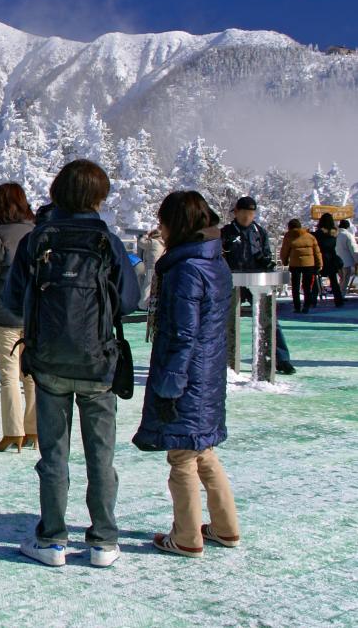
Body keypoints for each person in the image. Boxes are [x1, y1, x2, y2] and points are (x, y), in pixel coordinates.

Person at [4, 160, 141, 569]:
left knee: (54, 455)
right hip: (98, 361)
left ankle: (52, 539)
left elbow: (13, 299)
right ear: (100, 196)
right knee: (101, 456)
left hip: (48, 363)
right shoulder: (108, 242)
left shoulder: (39, 238)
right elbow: (131, 301)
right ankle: (103, 541)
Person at [133, 191, 240, 559]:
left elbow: (182, 332)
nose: (159, 228)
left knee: (181, 456)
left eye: (163, 221)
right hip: (208, 373)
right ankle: (225, 527)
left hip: (187, 375)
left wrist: (170, 382)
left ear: (176, 223)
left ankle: (187, 535)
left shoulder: (185, 269)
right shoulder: (215, 262)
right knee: (203, 451)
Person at [0, 183, 36, 453]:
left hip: (4, 312)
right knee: (32, 374)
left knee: (8, 375)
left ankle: (13, 432)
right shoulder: (37, 233)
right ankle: (34, 429)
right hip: (34, 312)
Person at [220, 196, 296, 374]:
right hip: (232, 282)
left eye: (251, 213)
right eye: (244, 212)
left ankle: (281, 358)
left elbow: (266, 254)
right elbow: (218, 256)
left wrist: (266, 262)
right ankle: (220, 360)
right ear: (236, 212)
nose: (247, 217)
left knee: (270, 320)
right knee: (223, 321)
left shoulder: (259, 232)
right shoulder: (226, 232)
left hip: (256, 281)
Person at [279, 219, 322, 313]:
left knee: (295, 286)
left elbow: (284, 251)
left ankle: (297, 307)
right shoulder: (310, 236)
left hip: (295, 264)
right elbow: (317, 252)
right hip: (309, 264)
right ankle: (306, 305)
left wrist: (285, 261)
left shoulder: (289, 236)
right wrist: (319, 264)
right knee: (307, 286)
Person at [312, 213, 345, 308]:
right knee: (334, 281)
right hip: (331, 258)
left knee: (316, 281)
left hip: (320, 258)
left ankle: (313, 300)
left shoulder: (318, 234)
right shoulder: (334, 234)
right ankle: (338, 301)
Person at [137, 229, 166, 311]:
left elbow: (141, 243)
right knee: (154, 285)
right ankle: (151, 304)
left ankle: (142, 305)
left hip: (151, 268)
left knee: (148, 285)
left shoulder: (153, 242)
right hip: (158, 267)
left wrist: (144, 236)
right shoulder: (162, 243)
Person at [338, 220, 357, 295]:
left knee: (341, 278)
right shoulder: (348, 235)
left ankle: (339, 293)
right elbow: (353, 249)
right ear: (348, 227)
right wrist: (356, 260)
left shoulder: (336, 234)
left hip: (337, 261)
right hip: (346, 261)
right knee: (345, 278)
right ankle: (341, 295)